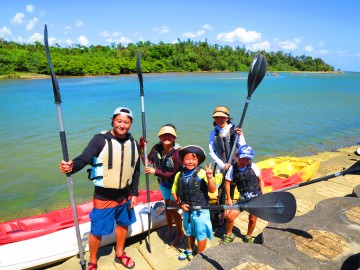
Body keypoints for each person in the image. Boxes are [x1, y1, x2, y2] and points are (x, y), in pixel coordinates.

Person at [59, 107, 139, 270]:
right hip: (104, 195)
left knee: (123, 224)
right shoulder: (99, 139)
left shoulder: (134, 143)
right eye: (119, 121)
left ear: (130, 124)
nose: (122, 125)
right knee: (97, 230)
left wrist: (135, 193)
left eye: (126, 122)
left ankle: (120, 253)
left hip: (126, 194)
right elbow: (85, 158)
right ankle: (93, 260)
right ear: (112, 121)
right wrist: (72, 166)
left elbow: (136, 170)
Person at [142, 124, 185, 245]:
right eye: (164, 135)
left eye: (170, 135)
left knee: (172, 209)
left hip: (175, 187)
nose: (167, 137)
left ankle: (180, 232)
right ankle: (170, 228)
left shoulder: (178, 153)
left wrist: (155, 171)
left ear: (174, 137)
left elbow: (174, 174)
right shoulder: (156, 148)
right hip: (163, 184)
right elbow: (147, 161)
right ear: (160, 137)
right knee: (167, 208)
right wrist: (142, 148)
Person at [171, 145, 216, 260]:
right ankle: (190, 249)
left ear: (198, 160)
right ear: (182, 160)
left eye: (194, 159)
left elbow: (212, 190)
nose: (190, 161)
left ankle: (200, 256)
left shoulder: (202, 173)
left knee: (201, 233)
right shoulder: (179, 174)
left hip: (202, 210)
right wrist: (180, 204)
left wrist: (210, 177)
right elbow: (174, 191)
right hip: (187, 210)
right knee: (189, 231)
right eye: (187, 159)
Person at [208, 105, 246, 226]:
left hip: (235, 166)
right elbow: (211, 151)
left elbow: (243, 147)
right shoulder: (213, 133)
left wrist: (240, 135)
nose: (219, 120)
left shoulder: (236, 130)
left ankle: (230, 212)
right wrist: (222, 164)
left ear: (227, 118)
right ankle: (221, 213)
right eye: (217, 118)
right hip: (221, 167)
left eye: (222, 118)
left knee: (232, 189)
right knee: (221, 191)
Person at [219, 145, 264, 244]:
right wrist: (229, 198)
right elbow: (227, 182)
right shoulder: (233, 169)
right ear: (237, 155)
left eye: (247, 159)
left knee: (252, 219)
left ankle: (248, 236)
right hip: (243, 199)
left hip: (255, 198)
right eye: (242, 158)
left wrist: (263, 193)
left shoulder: (253, 166)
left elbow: (260, 180)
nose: (244, 161)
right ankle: (229, 235)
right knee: (230, 217)